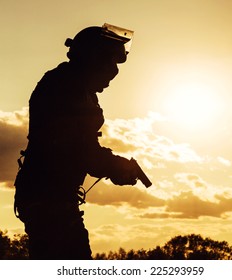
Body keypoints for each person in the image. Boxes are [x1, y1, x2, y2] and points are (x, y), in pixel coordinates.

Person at [14, 23, 140, 260]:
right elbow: (81, 151)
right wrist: (117, 167)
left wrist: (112, 165)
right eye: (110, 64)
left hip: (49, 196)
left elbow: (81, 147)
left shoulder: (70, 85)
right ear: (95, 60)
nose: (113, 73)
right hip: (49, 199)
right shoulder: (67, 89)